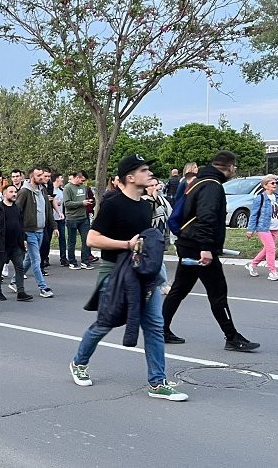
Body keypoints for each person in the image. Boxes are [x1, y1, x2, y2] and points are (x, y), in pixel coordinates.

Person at [69, 154, 188, 401]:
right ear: (130, 177)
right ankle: (79, 362)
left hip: (142, 273)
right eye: (144, 170)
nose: (150, 174)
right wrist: (126, 244)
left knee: (154, 326)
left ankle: (158, 382)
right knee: (105, 323)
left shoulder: (146, 206)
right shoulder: (113, 203)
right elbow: (91, 239)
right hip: (114, 271)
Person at [162, 151, 260, 351]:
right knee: (217, 292)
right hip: (199, 247)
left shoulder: (198, 181)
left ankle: (160, 330)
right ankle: (232, 337)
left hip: (188, 243)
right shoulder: (212, 186)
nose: (234, 171)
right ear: (230, 167)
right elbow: (206, 217)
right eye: (235, 168)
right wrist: (207, 248)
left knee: (179, 289)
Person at [245, 174, 278, 281]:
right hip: (263, 228)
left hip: (275, 228)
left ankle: (252, 264)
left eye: (276, 183)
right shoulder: (260, 198)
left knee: (267, 249)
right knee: (271, 249)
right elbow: (254, 214)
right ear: (265, 185)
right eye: (272, 183)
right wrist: (250, 230)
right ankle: (272, 272)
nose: (275, 185)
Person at [15, 168, 54, 298]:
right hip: (29, 231)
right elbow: (17, 212)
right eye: (39, 175)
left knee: (29, 260)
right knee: (36, 259)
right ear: (32, 177)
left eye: (42, 175)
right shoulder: (24, 192)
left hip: (40, 231)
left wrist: (54, 226)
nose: (42, 177)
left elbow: (47, 210)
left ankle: (15, 281)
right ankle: (43, 287)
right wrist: (21, 232)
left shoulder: (42, 190)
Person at [0, 184, 33, 302]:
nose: (14, 194)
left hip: (16, 245)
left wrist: (23, 239)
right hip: (2, 245)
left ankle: (21, 292)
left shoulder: (17, 208)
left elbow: (20, 225)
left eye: (15, 192)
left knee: (19, 267)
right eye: (11, 192)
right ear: (4, 194)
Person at [63, 171, 95, 270]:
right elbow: (67, 204)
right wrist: (81, 203)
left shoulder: (83, 187)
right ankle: (72, 261)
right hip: (72, 218)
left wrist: (89, 201)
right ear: (77, 177)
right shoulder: (67, 188)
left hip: (83, 217)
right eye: (82, 180)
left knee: (86, 239)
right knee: (72, 241)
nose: (83, 182)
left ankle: (85, 261)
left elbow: (84, 199)